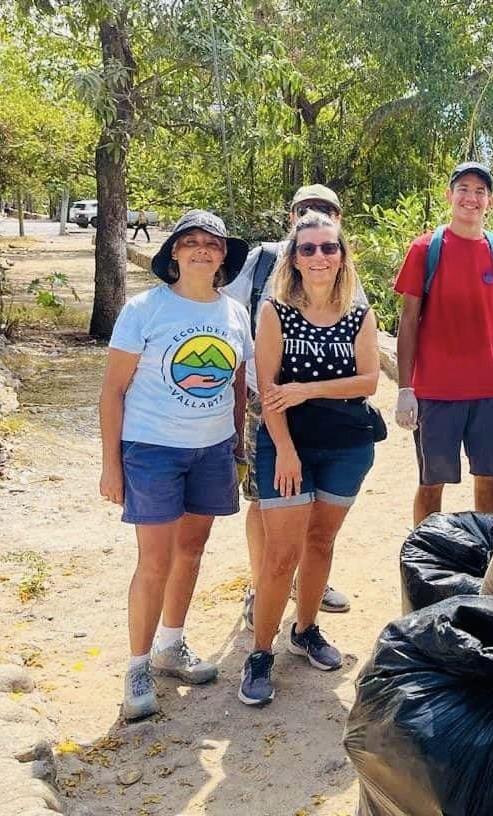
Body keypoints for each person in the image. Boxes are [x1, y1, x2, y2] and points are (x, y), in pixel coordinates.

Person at [98, 209, 251, 721]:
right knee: (155, 560)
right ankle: (138, 664)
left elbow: (237, 383)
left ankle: (170, 643)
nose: (202, 250)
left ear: (224, 256)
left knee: (192, 549)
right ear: (175, 255)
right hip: (152, 448)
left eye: (212, 242)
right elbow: (113, 392)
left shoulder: (234, 314)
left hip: (212, 449)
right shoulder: (145, 309)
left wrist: (238, 444)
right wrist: (111, 465)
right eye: (190, 242)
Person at [239, 211, 379, 706]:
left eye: (328, 247)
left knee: (321, 542)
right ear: (294, 259)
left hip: (346, 445)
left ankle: (306, 629)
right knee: (282, 556)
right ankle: (260, 652)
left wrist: (308, 389)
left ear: (342, 256)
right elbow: (270, 393)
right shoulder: (275, 312)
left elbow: (369, 381)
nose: (319, 257)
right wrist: (286, 450)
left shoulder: (361, 314)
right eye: (308, 249)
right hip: (287, 447)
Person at [221, 185, 354, 630]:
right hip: (265, 401)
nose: (315, 216)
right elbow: (232, 323)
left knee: (317, 505)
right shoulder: (261, 261)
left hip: (323, 409)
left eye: (326, 211)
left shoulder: (339, 265)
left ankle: (308, 584)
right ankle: (263, 586)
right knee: (264, 501)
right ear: (291, 215)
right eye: (306, 210)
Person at [393, 161, 493, 526]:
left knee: (489, 477)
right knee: (431, 481)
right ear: (449, 195)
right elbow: (408, 319)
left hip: (489, 389)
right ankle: (424, 553)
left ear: (490, 202)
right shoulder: (425, 249)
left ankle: (488, 557)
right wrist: (406, 388)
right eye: (463, 189)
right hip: (436, 390)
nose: (471, 198)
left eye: (479, 191)